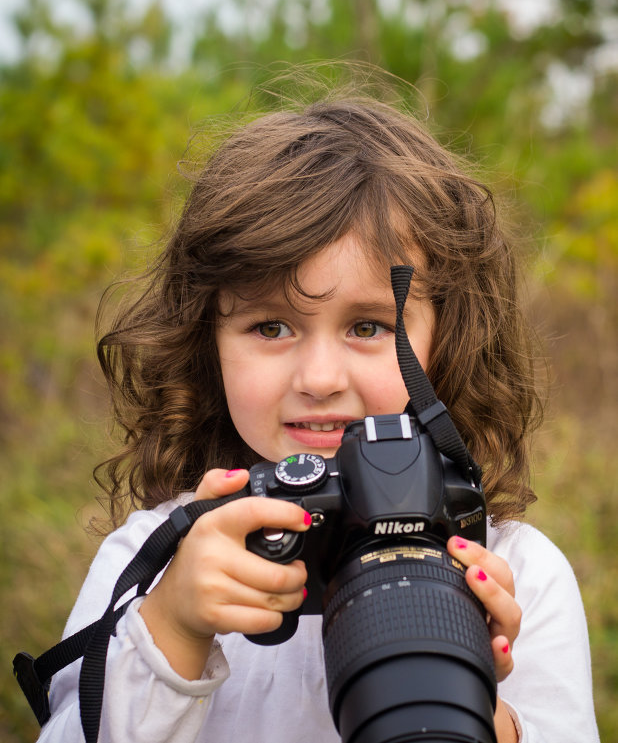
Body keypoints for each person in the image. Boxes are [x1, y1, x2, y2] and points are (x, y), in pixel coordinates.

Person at [36, 81, 599, 743]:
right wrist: (173, 628)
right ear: (206, 344)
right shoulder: (154, 559)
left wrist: (478, 707)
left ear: (447, 340)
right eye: (270, 327)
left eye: (368, 325)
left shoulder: (518, 575)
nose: (321, 379)